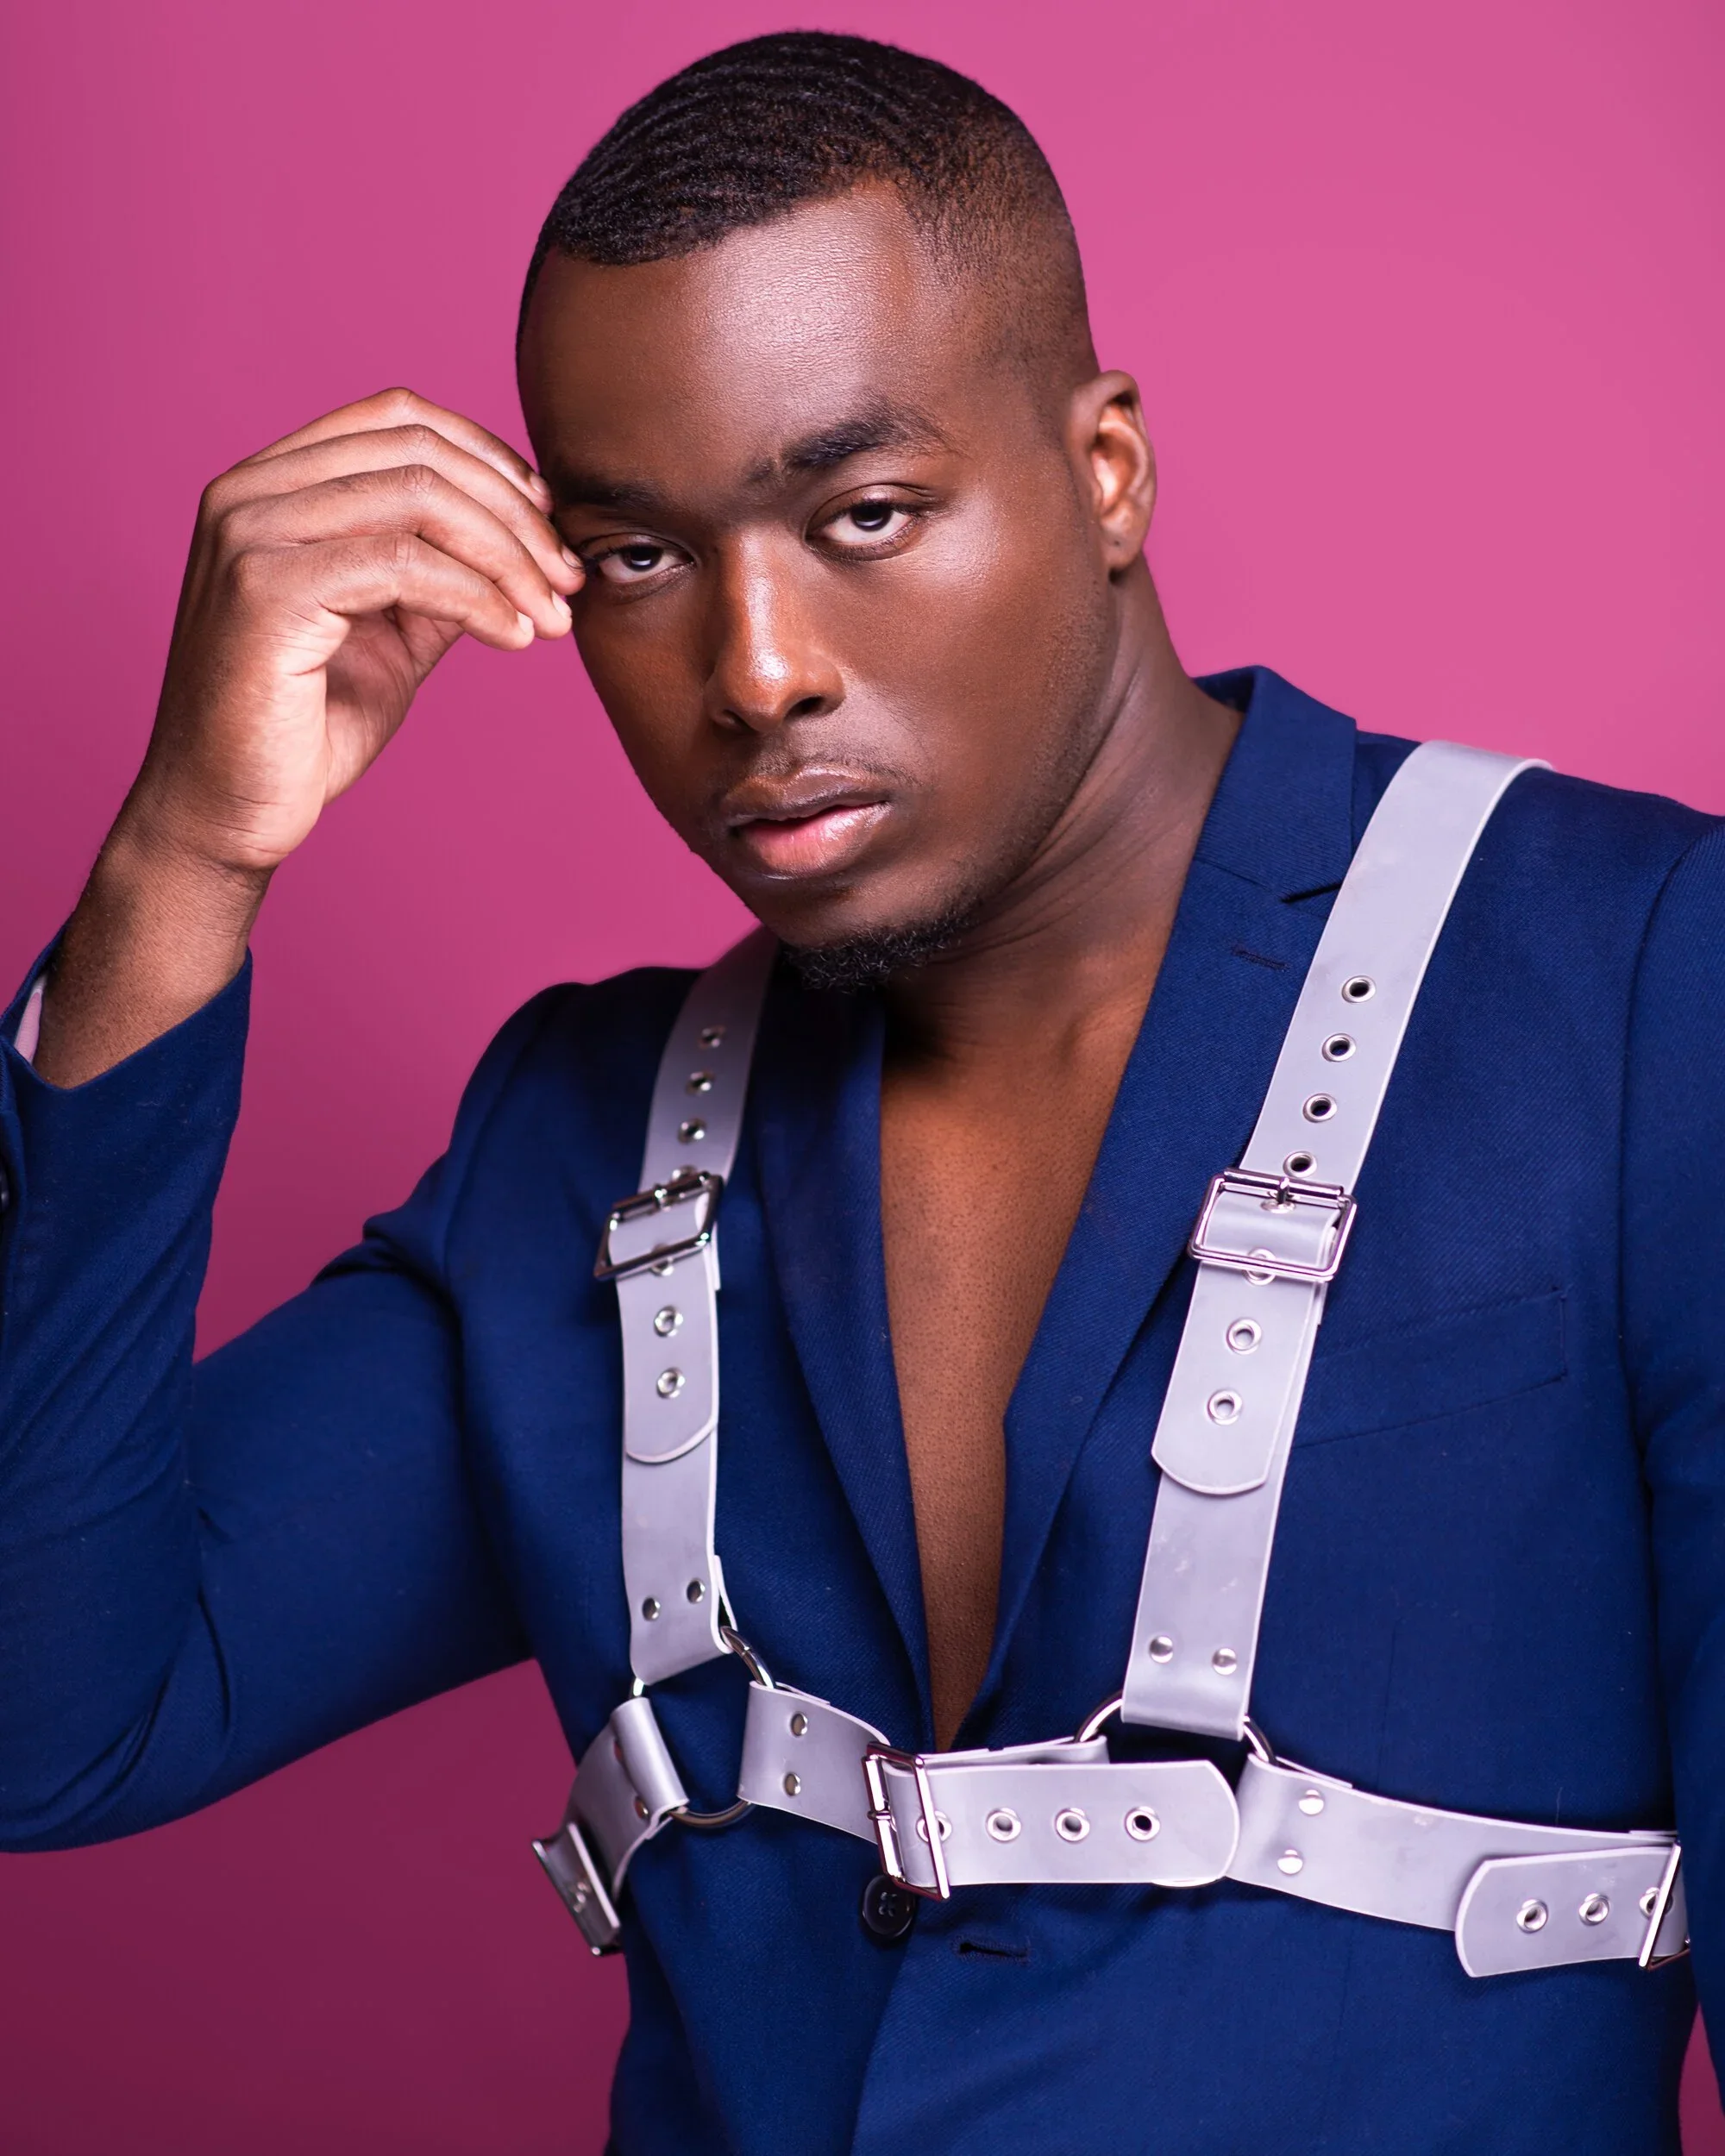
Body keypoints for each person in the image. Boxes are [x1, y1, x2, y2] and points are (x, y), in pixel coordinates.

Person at [1, 28, 1720, 2153]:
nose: (754, 668)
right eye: (635, 555)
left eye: (863, 512)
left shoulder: (1644, 985)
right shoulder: (587, 1144)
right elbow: (49, 1716)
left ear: (1105, 472)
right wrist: (186, 860)